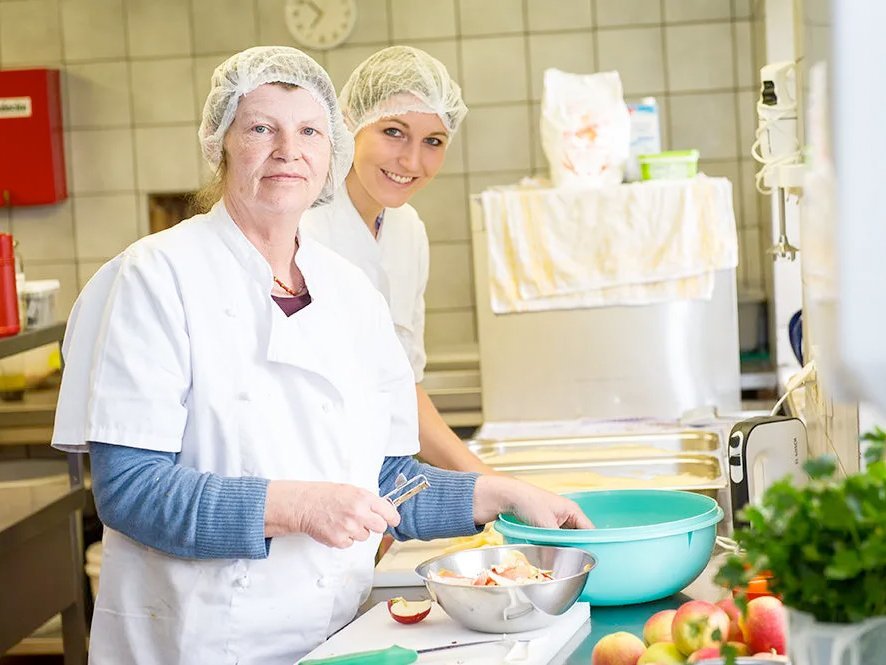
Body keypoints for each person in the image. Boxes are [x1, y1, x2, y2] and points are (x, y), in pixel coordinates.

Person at [51, 46, 593, 665]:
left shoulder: (349, 292)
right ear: (222, 142)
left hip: (333, 636)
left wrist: (495, 495)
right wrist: (298, 506)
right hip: (193, 640)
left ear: (330, 148)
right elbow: (131, 492)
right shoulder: (157, 275)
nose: (289, 150)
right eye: (261, 128)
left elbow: (388, 481)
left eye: (309, 130)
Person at [301, 46, 490, 474]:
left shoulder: (408, 231)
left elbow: (402, 384)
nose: (412, 161)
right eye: (393, 132)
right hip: (304, 483)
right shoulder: (301, 229)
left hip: (373, 485)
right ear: (350, 124)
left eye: (433, 142)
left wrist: (487, 482)